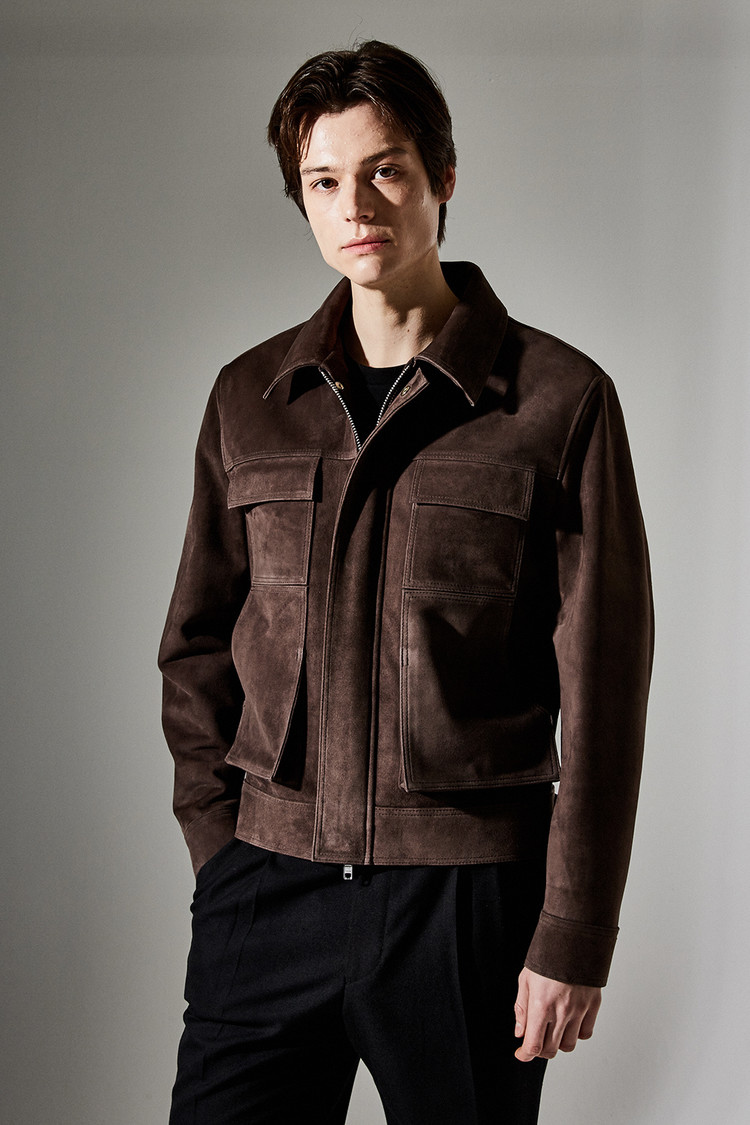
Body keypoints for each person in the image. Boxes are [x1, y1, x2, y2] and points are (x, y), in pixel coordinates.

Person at [159, 40, 653, 1125]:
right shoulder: (249, 398)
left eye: (384, 169)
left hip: (466, 905)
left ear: (443, 174)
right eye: (323, 181)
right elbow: (196, 643)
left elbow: (604, 695)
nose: (355, 206)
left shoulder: (559, 401)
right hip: (267, 886)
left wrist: (573, 932)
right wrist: (221, 848)